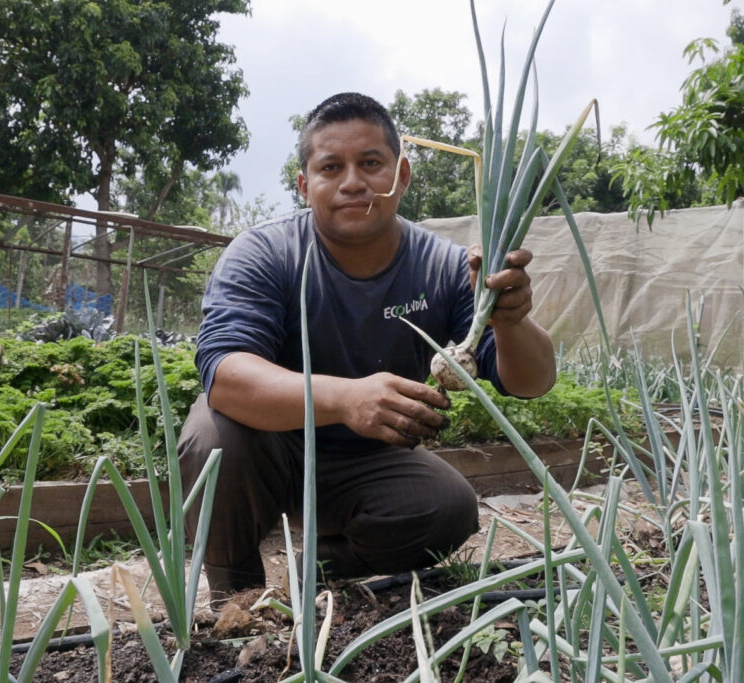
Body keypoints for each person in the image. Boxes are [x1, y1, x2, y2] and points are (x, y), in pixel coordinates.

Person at [178, 92, 556, 603]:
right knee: (212, 434)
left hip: (364, 464)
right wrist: (345, 398)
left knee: (448, 507)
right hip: (271, 444)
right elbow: (225, 374)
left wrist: (512, 320)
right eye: (332, 167)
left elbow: (531, 382)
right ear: (305, 185)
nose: (353, 182)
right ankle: (235, 595)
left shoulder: (444, 267)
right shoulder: (266, 252)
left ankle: (320, 570)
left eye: (371, 163)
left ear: (401, 175)